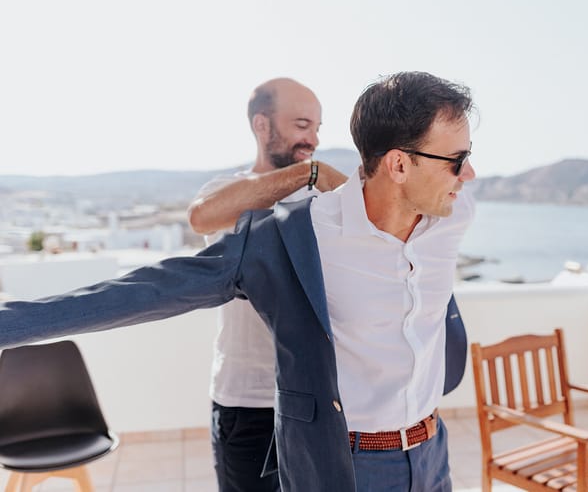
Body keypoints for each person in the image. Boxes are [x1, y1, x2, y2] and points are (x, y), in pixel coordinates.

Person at [0, 71, 476, 492]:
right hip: (342, 462)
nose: (469, 174)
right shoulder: (297, 234)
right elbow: (148, 291)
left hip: (432, 452)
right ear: (398, 164)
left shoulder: (455, 213)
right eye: (456, 161)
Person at [187, 77, 348, 492]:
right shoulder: (225, 191)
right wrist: (307, 173)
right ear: (262, 125)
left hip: (317, 400)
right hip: (248, 404)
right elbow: (202, 217)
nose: (313, 139)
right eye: (302, 125)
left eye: (317, 128)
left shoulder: (323, 199)